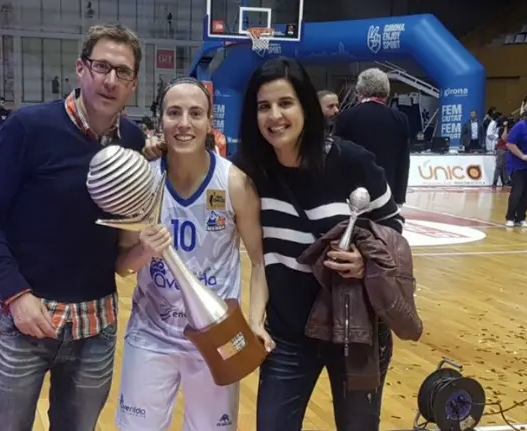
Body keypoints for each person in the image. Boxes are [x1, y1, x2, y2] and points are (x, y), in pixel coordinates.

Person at [0, 24, 145, 431]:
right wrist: (16, 294)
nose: (110, 80)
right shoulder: (30, 127)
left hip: (95, 327)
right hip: (21, 322)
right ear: (81, 69)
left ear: (133, 84)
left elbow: (120, 238)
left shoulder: (131, 142)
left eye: (123, 72)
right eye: (101, 66)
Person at [232, 57, 404, 431]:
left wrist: (365, 260)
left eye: (285, 103)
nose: (275, 116)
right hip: (287, 335)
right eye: (264, 106)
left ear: (306, 107)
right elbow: (261, 259)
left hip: (354, 333)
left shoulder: (352, 162)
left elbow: (394, 229)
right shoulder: (251, 171)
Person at [114, 77, 268, 431]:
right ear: (159, 121)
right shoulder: (139, 182)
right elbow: (122, 266)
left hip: (218, 336)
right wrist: (144, 252)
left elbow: (259, 261)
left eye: (195, 113)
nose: (184, 123)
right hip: (151, 335)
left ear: (209, 122)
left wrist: (256, 321)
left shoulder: (234, 183)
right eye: (174, 112)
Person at [333, 68, 410, 205]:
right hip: (387, 191)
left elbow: (336, 156)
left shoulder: (347, 116)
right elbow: (403, 160)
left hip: (353, 191)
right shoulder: (400, 118)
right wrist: (400, 197)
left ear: (360, 89)